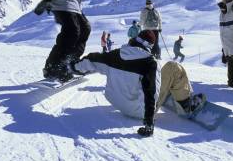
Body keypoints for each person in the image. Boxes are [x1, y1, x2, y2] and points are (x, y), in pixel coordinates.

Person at [70, 30, 205, 137]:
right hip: (140, 111)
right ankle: (186, 105)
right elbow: (150, 91)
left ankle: (169, 91)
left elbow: (92, 59)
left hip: (119, 105)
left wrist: (73, 67)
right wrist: (148, 123)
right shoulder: (149, 62)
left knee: (151, 77)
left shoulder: (114, 55)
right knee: (174, 67)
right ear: (150, 46)